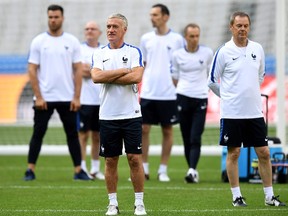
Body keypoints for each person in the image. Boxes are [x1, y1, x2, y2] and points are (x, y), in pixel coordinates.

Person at [207, 11, 285, 207]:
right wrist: (229, 96)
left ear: (249, 27)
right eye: (238, 25)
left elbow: (260, 76)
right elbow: (211, 81)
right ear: (231, 27)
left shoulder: (257, 49)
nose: (242, 29)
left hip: (254, 112)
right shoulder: (223, 52)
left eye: (245, 25)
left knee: (264, 152)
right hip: (232, 113)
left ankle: (269, 197)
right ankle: (236, 196)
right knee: (234, 153)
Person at [23, 4, 90, 181]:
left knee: (72, 135)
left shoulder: (72, 41)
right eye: (50, 17)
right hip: (45, 98)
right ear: (48, 18)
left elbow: (78, 70)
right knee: (38, 133)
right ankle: (30, 170)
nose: (53, 20)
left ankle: (78, 170)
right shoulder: (38, 41)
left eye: (56, 17)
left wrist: (76, 96)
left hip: (67, 98)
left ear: (62, 18)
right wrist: (38, 96)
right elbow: (32, 69)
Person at [91, 13, 147, 215]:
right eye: (108, 26)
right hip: (108, 115)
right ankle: (112, 203)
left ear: (124, 29)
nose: (110, 30)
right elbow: (96, 77)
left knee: (134, 158)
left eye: (115, 26)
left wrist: (110, 76)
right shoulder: (99, 53)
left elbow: (137, 76)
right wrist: (123, 71)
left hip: (131, 114)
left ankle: (139, 203)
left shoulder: (134, 51)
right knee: (111, 160)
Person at [139, 3, 184, 182]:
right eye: (151, 15)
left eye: (155, 15)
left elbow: (181, 64)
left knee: (167, 130)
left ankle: (163, 170)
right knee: (143, 129)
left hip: (169, 93)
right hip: (149, 92)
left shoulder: (177, 40)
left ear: (165, 17)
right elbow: (143, 64)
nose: (152, 18)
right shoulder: (145, 38)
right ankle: (144, 168)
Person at [171, 23, 213, 183]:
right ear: (185, 37)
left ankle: (192, 170)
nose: (195, 39)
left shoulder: (207, 53)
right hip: (182, 97)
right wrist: (185, 89)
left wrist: (202, 89)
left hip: (200, 98)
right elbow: (174, 77)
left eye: (197, 36)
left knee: (196, 136)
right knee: (186, 136)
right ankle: (192, 171)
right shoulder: (177, 55)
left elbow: (211, 74)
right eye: (191, 36)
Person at [78, 21, 104, 180]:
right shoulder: (79, 50)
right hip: (84, 99)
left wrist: (91, 70)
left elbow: (104, 72)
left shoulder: (104, 50)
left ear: (99, 32)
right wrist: (95, 71)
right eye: (87, 28)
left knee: (98, 136)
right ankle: (81, 167)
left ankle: (95, 169)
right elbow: (78, 71)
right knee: (83, 135)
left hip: (101, 100)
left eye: (93, 29)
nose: (89, 31)